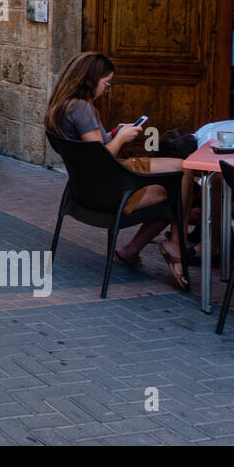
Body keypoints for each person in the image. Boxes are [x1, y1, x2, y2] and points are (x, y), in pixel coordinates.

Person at [45, 51, 192, 290]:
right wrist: (122, 138)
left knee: (182, 168)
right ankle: (175, 245)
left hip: (85, 187)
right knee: (179, 186)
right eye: (106, 83)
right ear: (91, 80)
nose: (107, 88)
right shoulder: (81, 109)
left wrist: (112, 134)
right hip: (110, 188)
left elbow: (90, 149)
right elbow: (98, 160)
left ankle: (131, 251)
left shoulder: (61, 106)